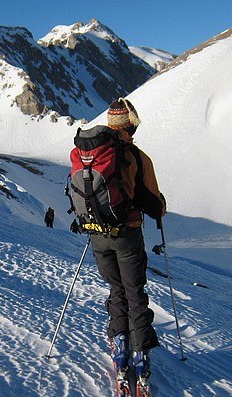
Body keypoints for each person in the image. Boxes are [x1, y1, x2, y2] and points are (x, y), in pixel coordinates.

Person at [85, 98, 166, 381]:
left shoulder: (89, 153)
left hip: (97, 236)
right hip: (127, 235)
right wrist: (160, 204)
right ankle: (141, 355)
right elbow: (154, 206)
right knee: (135, 293)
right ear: (130, 125)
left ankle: (120, 345)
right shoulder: (137, 156)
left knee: (116, 290)